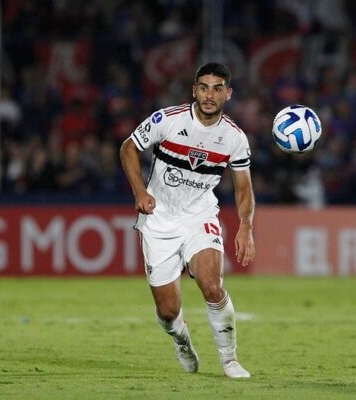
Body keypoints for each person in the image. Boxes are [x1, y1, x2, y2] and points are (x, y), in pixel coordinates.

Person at [119, 62, 255, 378]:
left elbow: (244, 188)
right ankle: (181, 339)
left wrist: (246, 227)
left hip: (200, 215)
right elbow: (128, 147)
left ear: (228, 94)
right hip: (158, 219)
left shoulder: (234, 138)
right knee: (167, 311)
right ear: (194, 90)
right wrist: (140, 191)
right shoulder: (167, 120)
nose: (210, 95)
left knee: (212, 285)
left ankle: (230, 360)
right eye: (204, 87)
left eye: (217, 88)